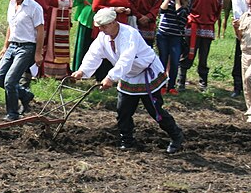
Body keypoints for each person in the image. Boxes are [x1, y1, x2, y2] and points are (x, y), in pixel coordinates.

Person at [71, 8, 184, 154]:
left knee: (155, 110)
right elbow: (94, 54)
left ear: (113, 22)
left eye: (104, 26)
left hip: (145, 74)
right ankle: (127, 140)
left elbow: (126, 58)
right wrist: (82, 71)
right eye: (99, 26)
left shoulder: (129, 34)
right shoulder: (103, 37)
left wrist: (110, 77)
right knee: (123, 111)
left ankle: (176, 136)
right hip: (127, 74)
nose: (101, 29)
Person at [0, 0, 44, 121]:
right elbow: (11, 26)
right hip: (13, 45)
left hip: (27, 47)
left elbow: (40, 31)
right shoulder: (11, 4)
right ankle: (25, 95)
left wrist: (38, 53)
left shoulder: (34, 8)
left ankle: (12, 113)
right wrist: (5, 46)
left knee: (10, 81)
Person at [179, 0, 224, 91]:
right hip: (193, 25)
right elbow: (185, 4)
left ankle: (203, 81)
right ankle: (181, 80)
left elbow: (218, 8)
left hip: (208, 27)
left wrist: (211, 20)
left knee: (203, 55)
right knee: (188, 53)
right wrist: (190, 18)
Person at [24, 0, 59, 76]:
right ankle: (22, 71)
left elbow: (50, 3)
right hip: (26, 19)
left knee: (38, 46)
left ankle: (33, 73)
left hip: (41, 20)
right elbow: (15, 1)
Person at [70, 0, 107, 71]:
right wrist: (82, 0)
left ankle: (95, 70)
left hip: (101, 15)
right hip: (88, 16)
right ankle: (79, 68)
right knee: (84, 42)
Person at [156, 0, 190, 95]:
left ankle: (171, 86)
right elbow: (162, 11)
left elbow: (180, 14)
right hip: (163, 34)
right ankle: (161, 85)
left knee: (175, 62)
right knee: (162, 60)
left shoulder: (186, 1)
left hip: (176, 36)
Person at [43, 0, 72, 78]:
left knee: (62, 46)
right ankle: (47, 71)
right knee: (49, 44)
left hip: (63, 23)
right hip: (51, 21)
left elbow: (70, 6)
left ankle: (61, 72)